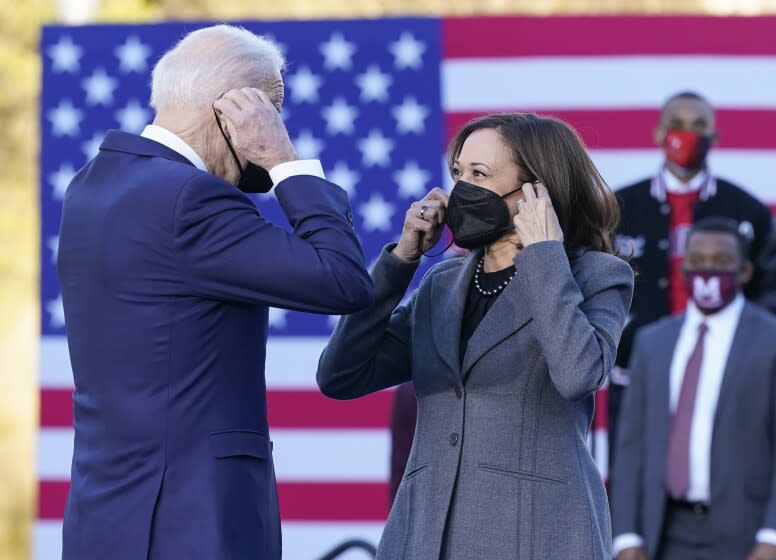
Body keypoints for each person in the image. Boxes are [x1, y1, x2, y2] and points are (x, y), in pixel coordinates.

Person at [57, 25, 373, 560]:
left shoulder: (91, 185)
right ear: (231, 110)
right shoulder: (188, 199)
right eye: (272, 109)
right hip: (192, 522)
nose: (276, 122)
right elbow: (342, 279)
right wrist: (284, 161)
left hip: (105, 517)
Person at [317, 113, 634, 559]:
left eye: (479, 175)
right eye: (458, 174)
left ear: (535, 192)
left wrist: (543, 255)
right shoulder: (441, 284)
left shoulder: (597, 275)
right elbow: (341, 376)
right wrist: (399, 263)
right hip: (427, 534)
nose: (461, 190)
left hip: (535, 534)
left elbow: (578, 374)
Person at [609, 91, 776, 462]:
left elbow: (770, 291)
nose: (687, 135)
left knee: (725, 477)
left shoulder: (747, 211)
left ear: (715, 137)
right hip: (637, 372)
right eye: (677, 125)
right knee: (635, 484)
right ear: (658, 134)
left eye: (699, 126)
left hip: (725, 375)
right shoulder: (618, 209)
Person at [611, 217, 776, 560]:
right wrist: (625, 536)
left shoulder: (770, 339)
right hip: (664, 534)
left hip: (747, 534)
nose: (707, 271)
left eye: (721, 262)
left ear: (744, 271)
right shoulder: (653, 342)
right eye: (698, 261)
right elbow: (631, 447)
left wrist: (771, 535)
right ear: (684, 267)